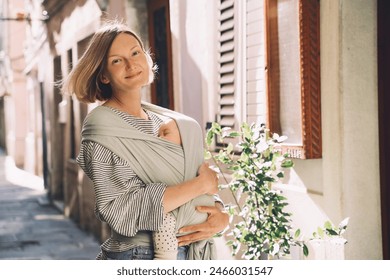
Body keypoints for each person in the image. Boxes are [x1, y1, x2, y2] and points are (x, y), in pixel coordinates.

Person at [61, 20, 229, 260]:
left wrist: (220, 215)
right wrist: (201, 186)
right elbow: (119, 209)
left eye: (135, 52)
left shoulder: (163, 121)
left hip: (191, 251)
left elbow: (192, 176)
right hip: (140, 255)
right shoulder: (103, 126)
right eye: (117, 60)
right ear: (104, 76)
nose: (131, 64)